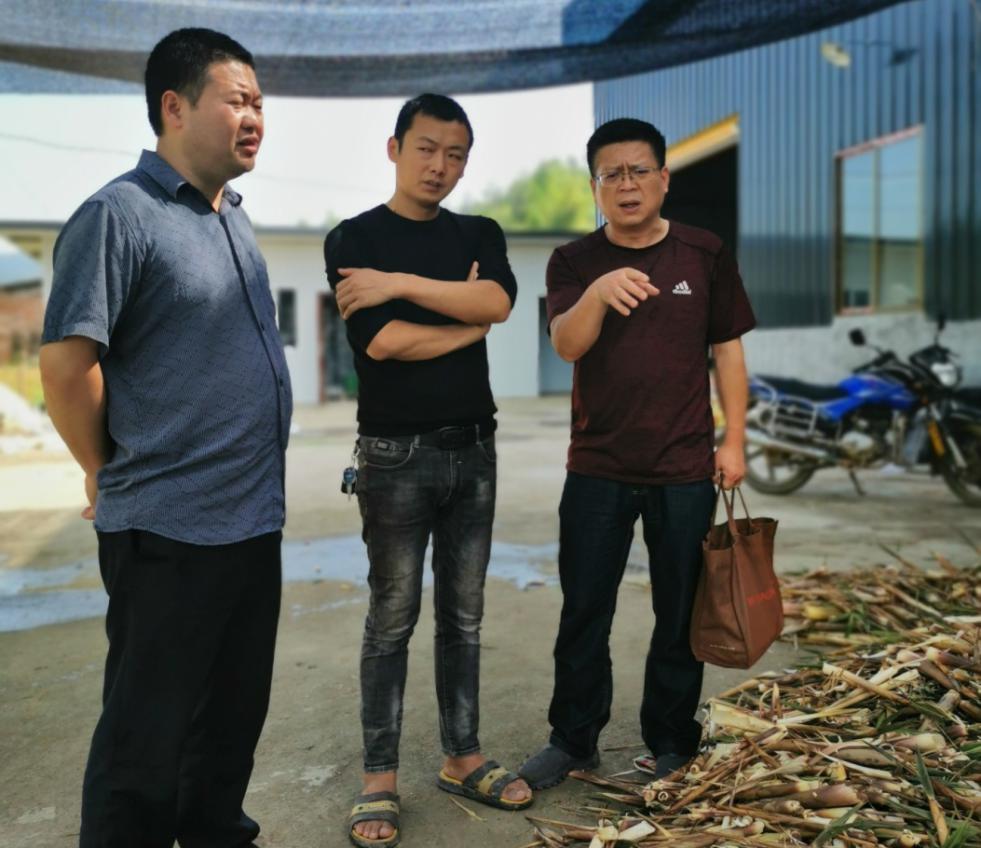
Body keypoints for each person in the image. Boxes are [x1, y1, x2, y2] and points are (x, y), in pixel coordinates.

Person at [39, 28, 291, 848]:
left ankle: (215, 832)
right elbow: (67, 366)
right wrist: (100, 465)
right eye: (237, 100)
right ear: (174, 107)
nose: (254, 117)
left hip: (250, 521)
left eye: (259, 103)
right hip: (168, 529)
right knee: (144, 743)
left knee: (228, 723)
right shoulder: (119, 215)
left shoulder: (232, 217)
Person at [519, 118, 755, 789]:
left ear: (663, 178)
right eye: (611, 174)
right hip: (597, 467)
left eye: (638, 170)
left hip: (684, 468)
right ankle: (573, 740)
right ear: (595, 187)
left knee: (678, 615)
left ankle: (672, 740)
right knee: (584, 611)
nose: (626, 184)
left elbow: (727, 349)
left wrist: (734, 439)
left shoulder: (703, 252)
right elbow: (567, 343)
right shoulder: (572, 261)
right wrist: (598, 292)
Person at [324, 93, 531, 848]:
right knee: (392, 616)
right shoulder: (353, 237)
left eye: (455, 154)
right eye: (426, 148)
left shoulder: (480, 232)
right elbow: (384, 345)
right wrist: (466, 321)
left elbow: (497, 300)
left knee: (464, 614)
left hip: (475, 448)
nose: (439, 165)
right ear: (394, 148)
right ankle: (379, 777)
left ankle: (461, 756)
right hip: (394, 456)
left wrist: (401, 286)